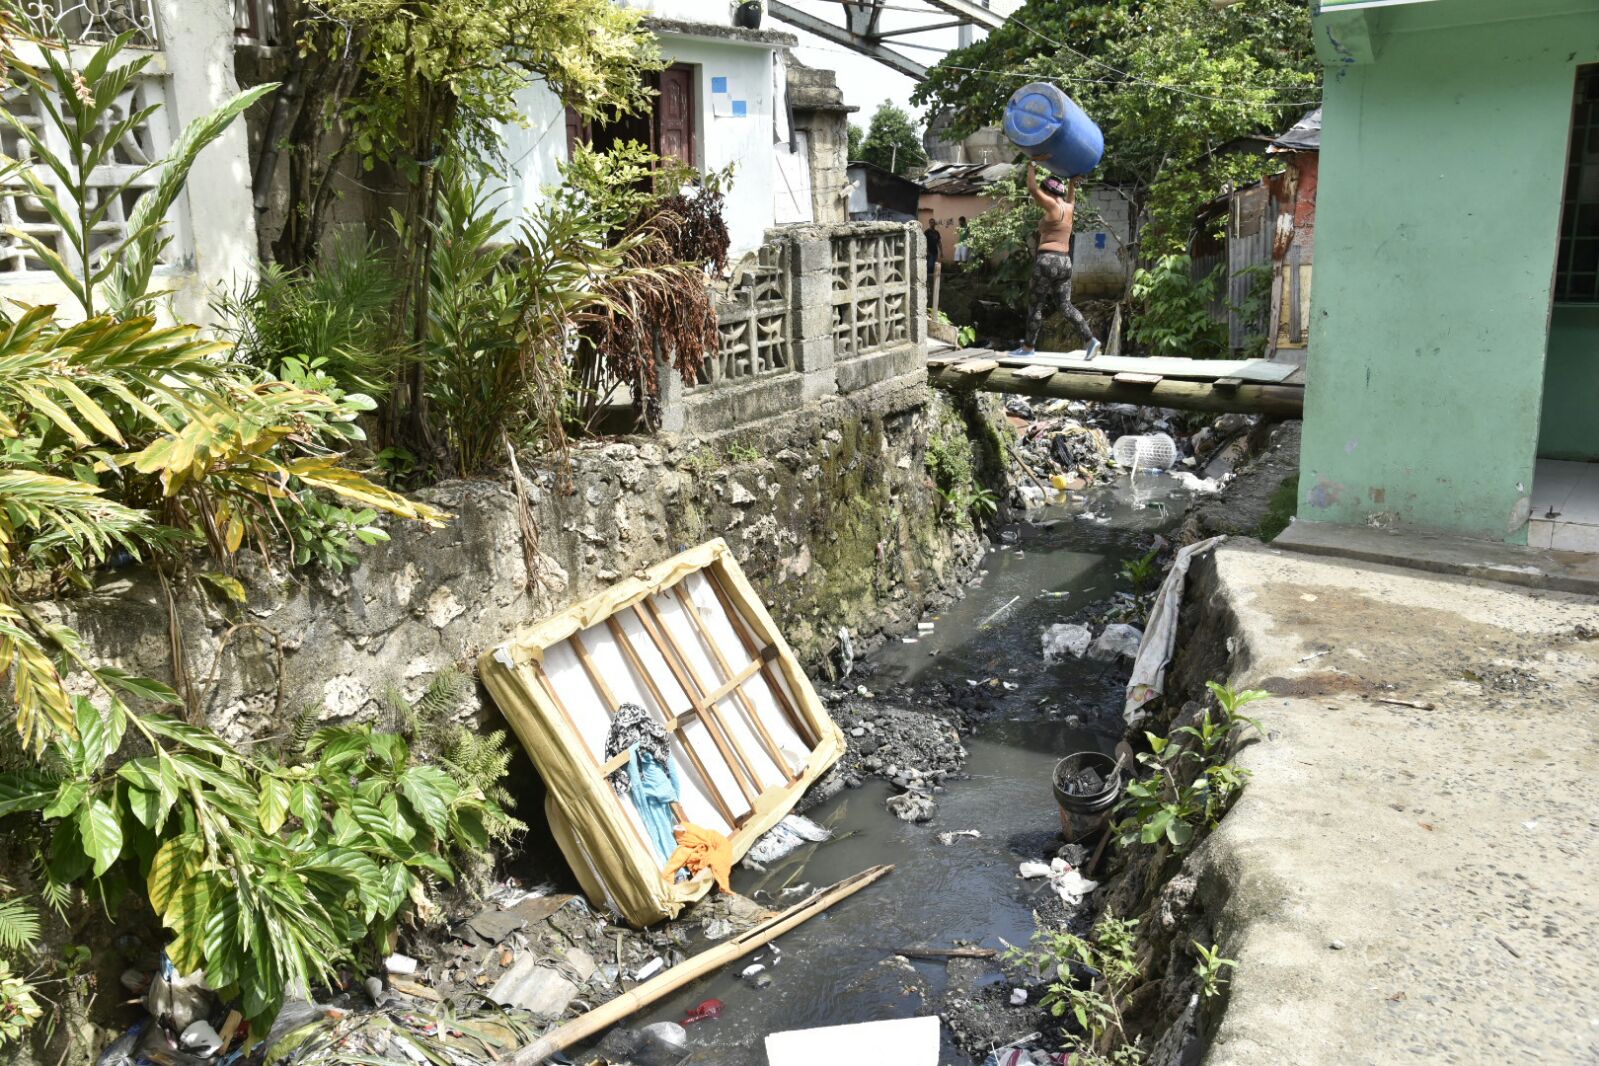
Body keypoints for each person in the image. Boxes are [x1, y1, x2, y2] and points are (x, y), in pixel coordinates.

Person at [1015, 161, 1101, 359]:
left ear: (1049, 192)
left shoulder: (1052, 205)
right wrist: (1072, 183)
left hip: (1047, 261)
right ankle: (1090, 340)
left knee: (1036, 306)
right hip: (1065, 262)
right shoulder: (1069, 208)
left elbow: (1032, 188)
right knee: (1066, 306)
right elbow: (1071, 197)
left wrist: (1031, 166)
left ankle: (1028, 349)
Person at [923, 220, 943, 297]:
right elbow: (924, 242)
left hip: (935, 252)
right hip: (929, 252)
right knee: (929, 266)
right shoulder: (927, 232)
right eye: (931, 222)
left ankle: (934, 282)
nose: (932, 224)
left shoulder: (937, 233)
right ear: (929, 223)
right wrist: (927, 250)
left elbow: (939, 242)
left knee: (934, 266)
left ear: (935, 224)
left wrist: (941, 252)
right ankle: (927, 281)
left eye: (933, 222)